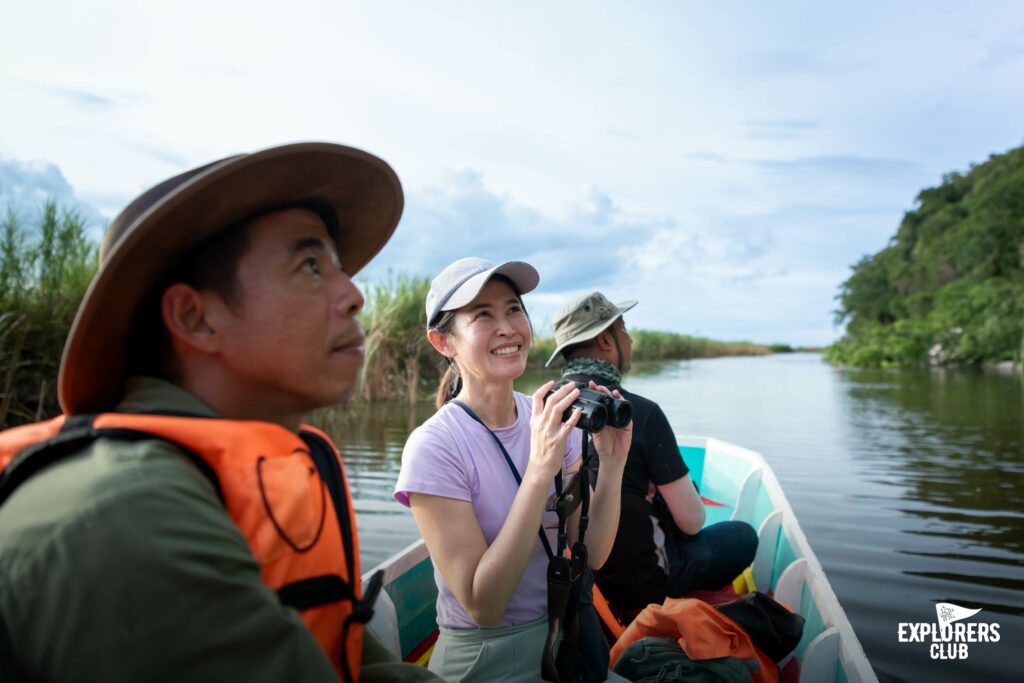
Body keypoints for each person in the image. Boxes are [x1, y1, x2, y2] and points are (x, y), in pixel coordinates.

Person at [0, 142, 440, 682]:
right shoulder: (131, 512)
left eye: (338, 267)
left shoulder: (254, 480)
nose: (354, 295)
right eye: (309, 265)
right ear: (195, 317)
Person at [394, 258, 633, 682]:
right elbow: (484, 606)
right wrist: (540, 469)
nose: (507, 327)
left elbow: (591, 554)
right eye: (483, 315)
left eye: (513, 309)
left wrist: (612, 465)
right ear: (442, 342)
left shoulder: (547, 417)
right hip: (486, 658)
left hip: (562, 640)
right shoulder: (435, 446)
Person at [546, 292, 758, 621]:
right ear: (606, 339)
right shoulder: (638, 414)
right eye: (625, 330)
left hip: (577, 586)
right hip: (644, 586)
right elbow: (692, 522)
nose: (629, 340)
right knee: (743, 536)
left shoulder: (541, 411)